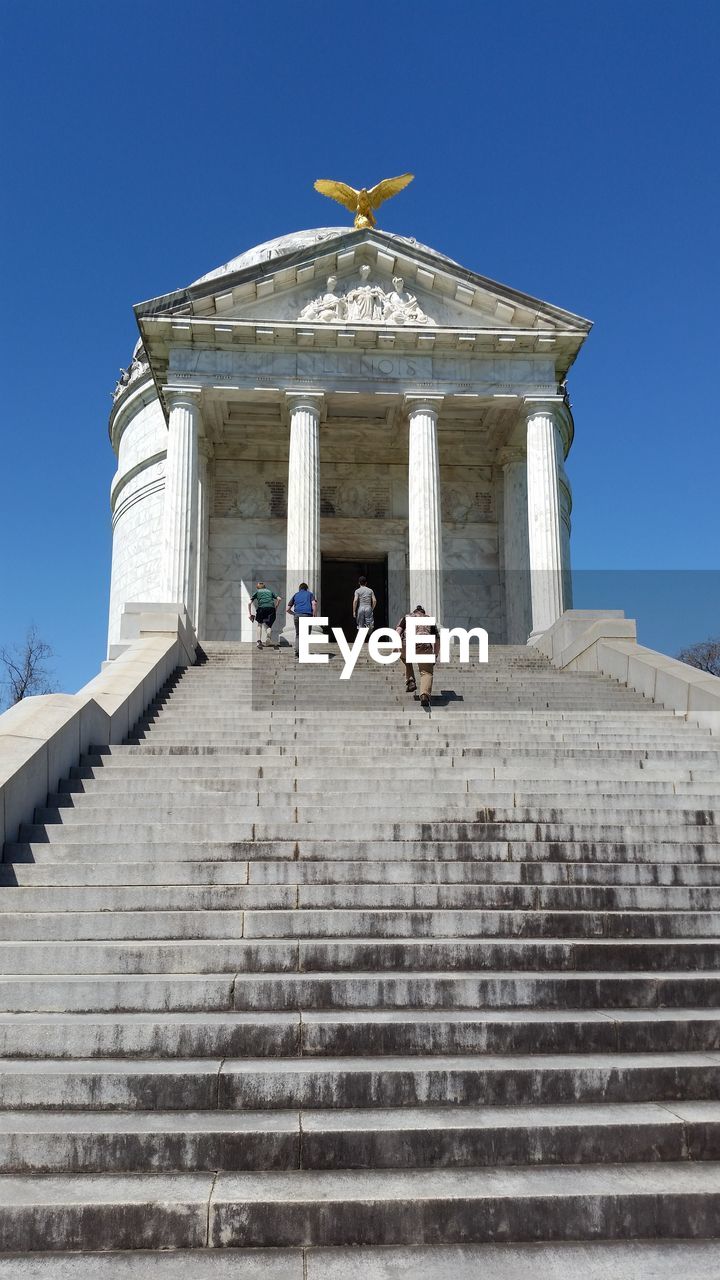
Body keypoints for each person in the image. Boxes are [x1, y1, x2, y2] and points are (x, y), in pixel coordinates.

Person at [396, 604, 440, 708]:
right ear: (423, 613)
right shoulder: (429, 620)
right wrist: (435, 655)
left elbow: (398, 632)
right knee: (426, 672)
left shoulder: (406, 617)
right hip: (424, 646)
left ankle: (410, 680)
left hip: (407, 645)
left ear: (414, 613)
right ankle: (424, 695)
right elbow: (437, 640)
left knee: (403, 656)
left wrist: (396, 646)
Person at [286, 582, 318, 658]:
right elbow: (314, 604)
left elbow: (287, 609)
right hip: (307, 615)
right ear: (306, 588)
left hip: (297, 615)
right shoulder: (310, 594)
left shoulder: (296, 595)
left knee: (298, 635)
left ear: (299, 589)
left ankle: (297, 653)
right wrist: (314, 615)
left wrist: (294, 614)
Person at [249, 582, 280, 649]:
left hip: (261, 608)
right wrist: (276, 607)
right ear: (264, 586)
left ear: (258, 588)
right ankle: (268, 638)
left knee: (259, 624)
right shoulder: (270, 591)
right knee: (269, 625)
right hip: (271, 608)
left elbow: (249, 603)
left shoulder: (257, 592)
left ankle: (259, 641)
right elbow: (279, 599)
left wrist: (250, 614)